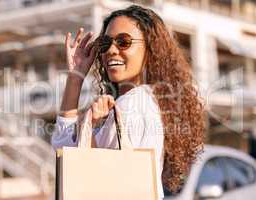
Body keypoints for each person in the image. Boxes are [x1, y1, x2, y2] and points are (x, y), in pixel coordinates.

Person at [51, 5, 205, 199]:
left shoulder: (131, 105)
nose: (111, 51)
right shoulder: (153, 101)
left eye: (123, 42)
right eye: (105, 44)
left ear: (150, 48)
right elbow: (65, 146)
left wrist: (88, 124)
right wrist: (76, 76)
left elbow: (75, 159)